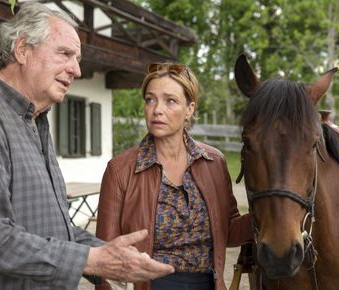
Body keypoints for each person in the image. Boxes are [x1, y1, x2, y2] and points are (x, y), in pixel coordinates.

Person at [0, 2, 174, 289]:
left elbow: (53, 231)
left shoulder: (35, 120)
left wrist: (110, 255)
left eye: (78, 58)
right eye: (65, 54)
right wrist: (92, 260)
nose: (77, 70)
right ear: (22, 50)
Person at [95, 62, 253, 290]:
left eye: (170, 101)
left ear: (189, 109)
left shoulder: (214, 162)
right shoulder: (120, 170)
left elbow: (228, 232)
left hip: (208, 284)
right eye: (150, 99)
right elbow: (105, 256)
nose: (157, 109)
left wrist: (266, 211)